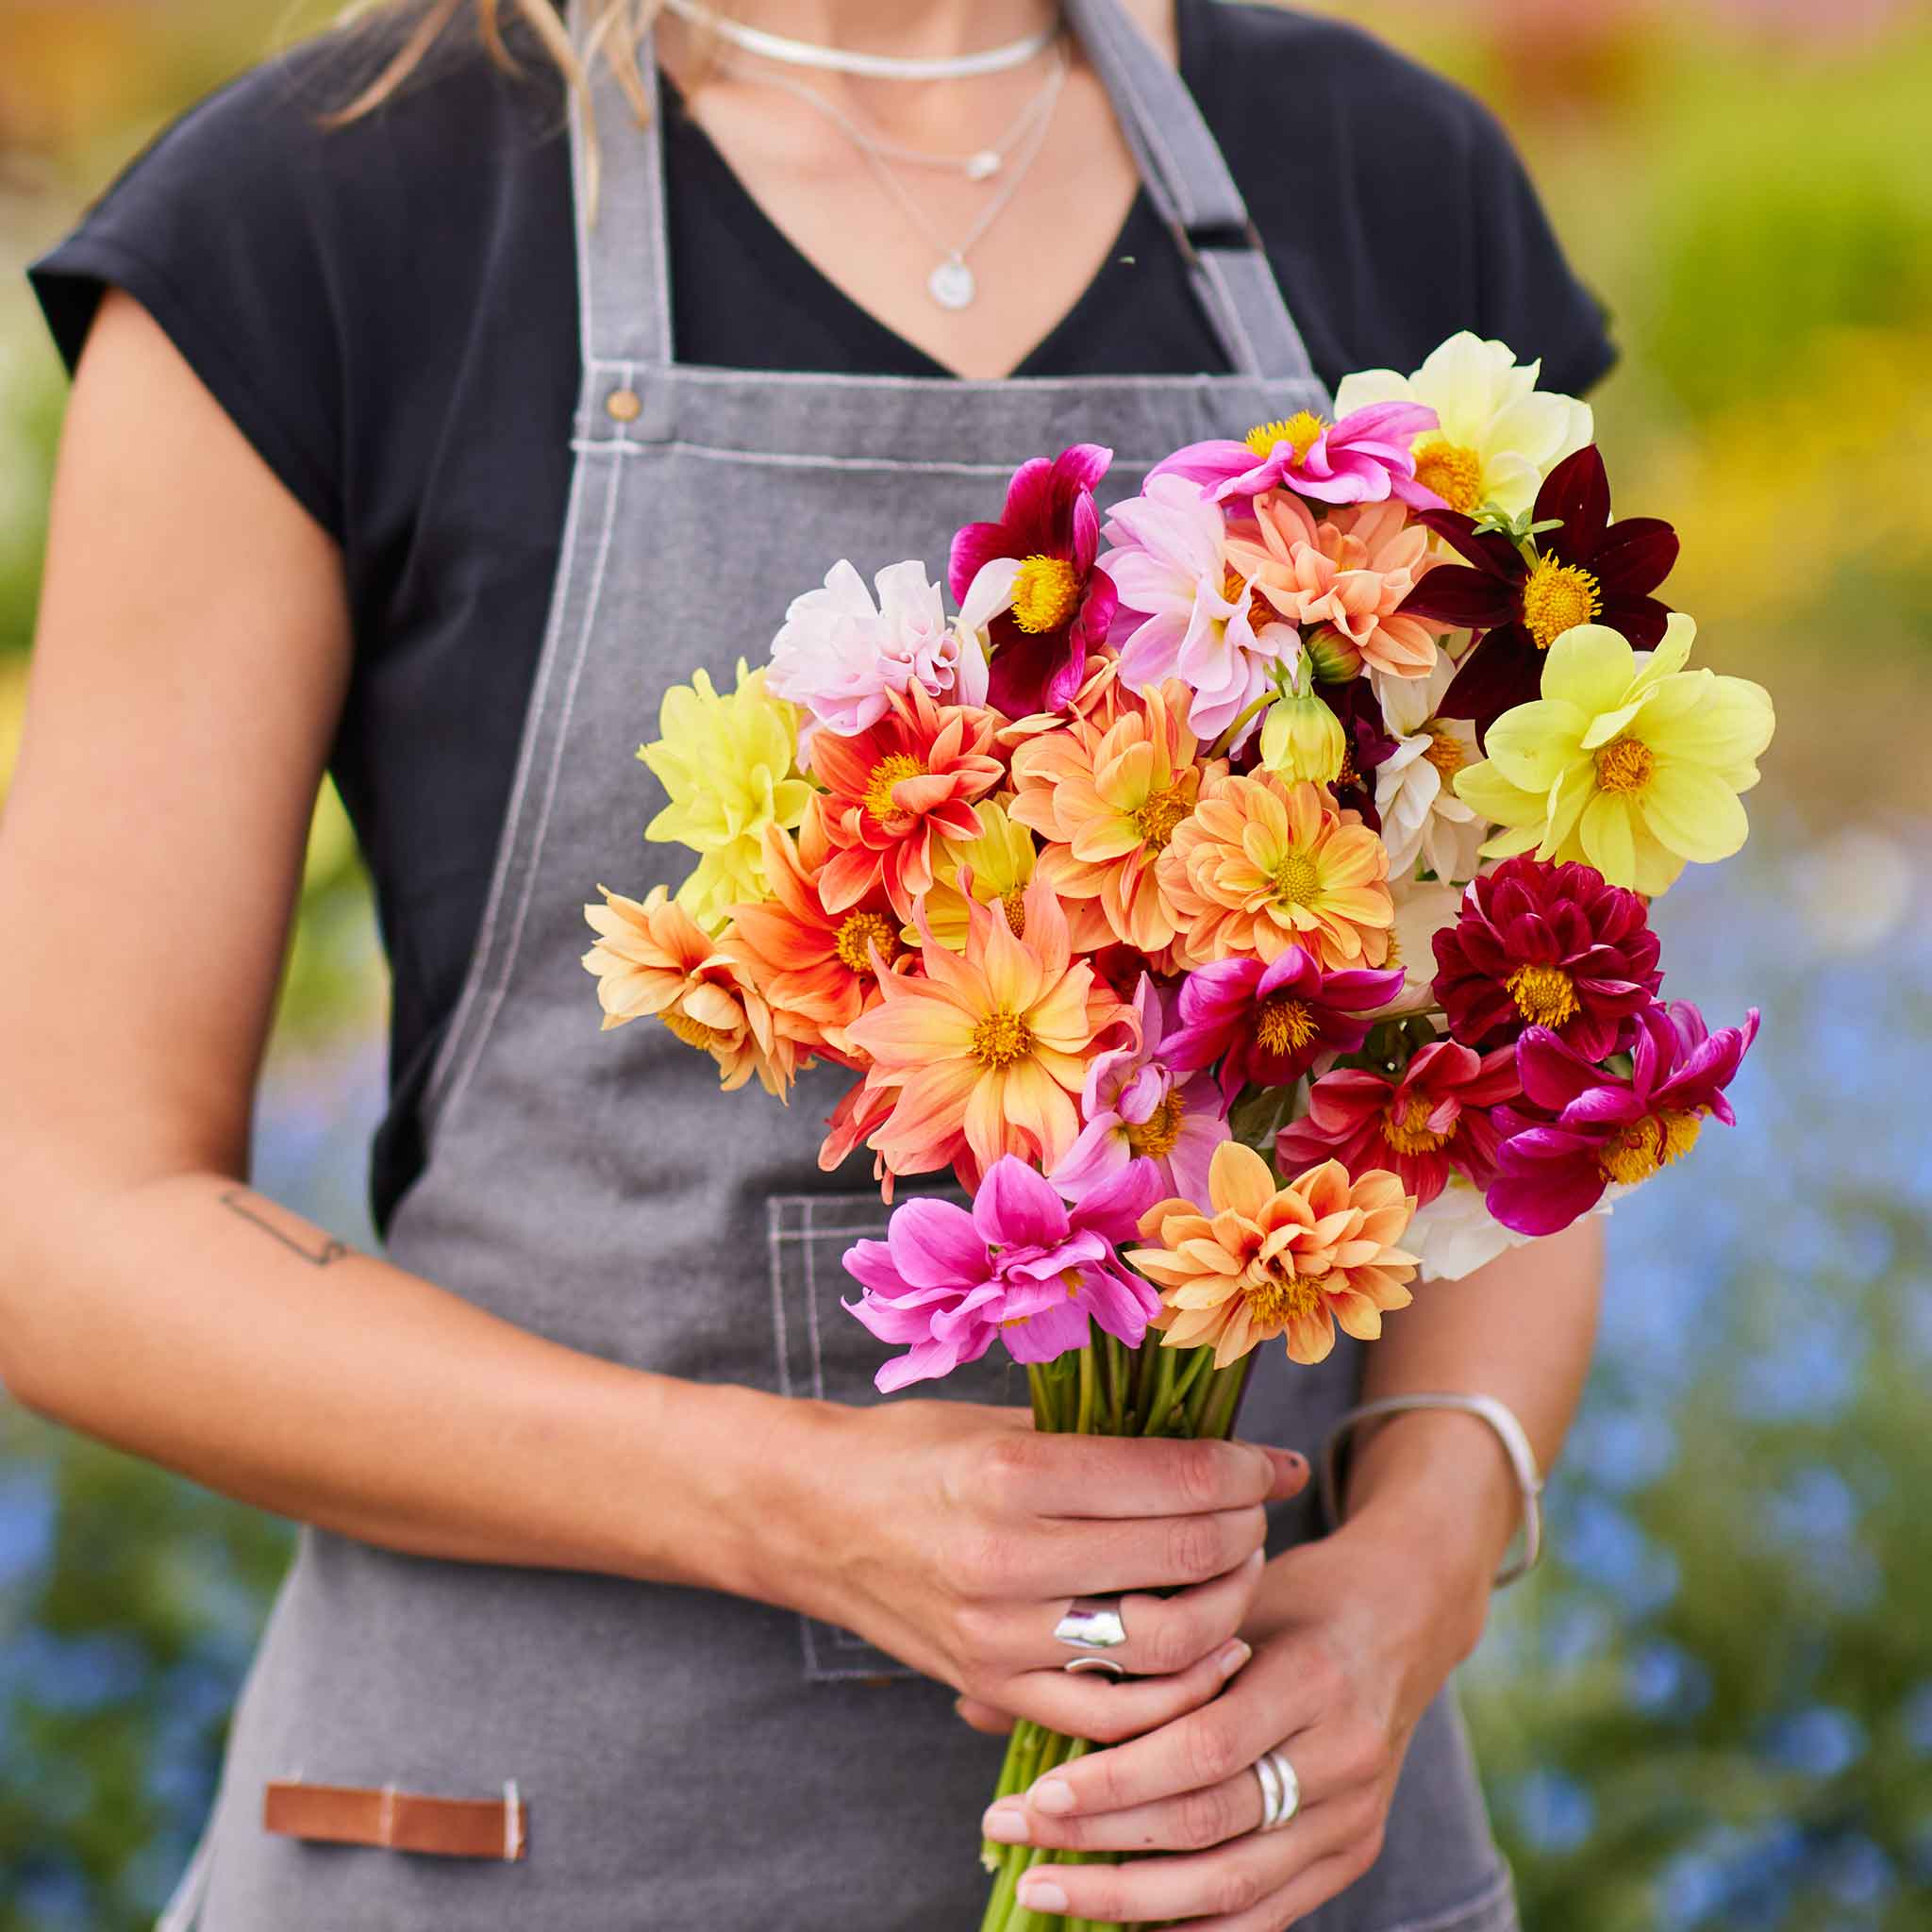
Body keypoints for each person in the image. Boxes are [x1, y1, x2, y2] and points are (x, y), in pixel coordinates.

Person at [1, 1, 1608, 1925]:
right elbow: (61, 1213)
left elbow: (1501, 1089)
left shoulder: (1384, 180)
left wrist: (1409, 1587)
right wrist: (795, 1501)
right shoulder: (327, 216)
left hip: (1260, 1864)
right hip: (529, 1848)